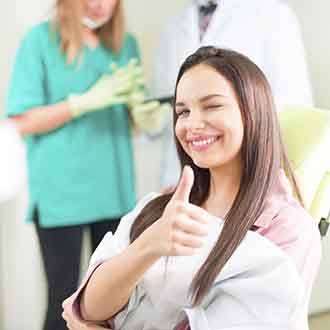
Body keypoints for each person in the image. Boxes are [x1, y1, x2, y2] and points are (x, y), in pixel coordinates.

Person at [62, 47, 321, 330]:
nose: (192, 124)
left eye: (212, 106)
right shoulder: (162, 204)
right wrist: (149, 245)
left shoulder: (289, 229)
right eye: (182, 111)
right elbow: (88, 308)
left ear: (253, 112)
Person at [5, 1, 145, 329]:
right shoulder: (39, 41)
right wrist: (80, 103)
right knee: (64, 300)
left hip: (114, 191)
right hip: (60, 196)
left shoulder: (125, 44)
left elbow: (135, 120)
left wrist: (144, 113)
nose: (99, 4)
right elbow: (21, 120)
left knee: (115, 303)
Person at [152, 0, 314, 188]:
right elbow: (165, 105)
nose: (195, 121)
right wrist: (151, 120)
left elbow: (295, 106)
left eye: (213, 105)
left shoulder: (273, 15)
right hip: (181, 176)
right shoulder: (173, 26)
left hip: (250, 176)